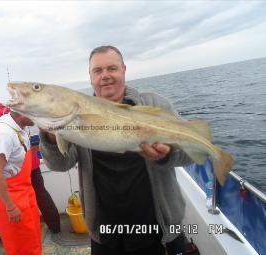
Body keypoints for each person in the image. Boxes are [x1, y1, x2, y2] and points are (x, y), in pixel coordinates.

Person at [40, 46, 194, 255]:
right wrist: (51, 134)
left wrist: (167, 155)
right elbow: (60, 164)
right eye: (98, 70)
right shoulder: (76, 114)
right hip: (105, 234)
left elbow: (190, 152)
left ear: (123, 70)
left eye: (112, 68)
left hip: (158, 230)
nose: (105, 76)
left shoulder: (154, 104)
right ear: (90, 76)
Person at [0, 111, 41, 255]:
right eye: (34, 113)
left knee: (32, 232)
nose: (37, 117)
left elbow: (19, 152)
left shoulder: (20, 126)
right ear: (22, 112)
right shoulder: (3, 135)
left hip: (23, 187)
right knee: (19, 240)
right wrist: (10, 206)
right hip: (6, 193)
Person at [30, 135, 61, 233]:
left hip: (22, 169)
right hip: (32, 164)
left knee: (37, 196)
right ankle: (55, 225)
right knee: (41, 194)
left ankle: (33, 230)